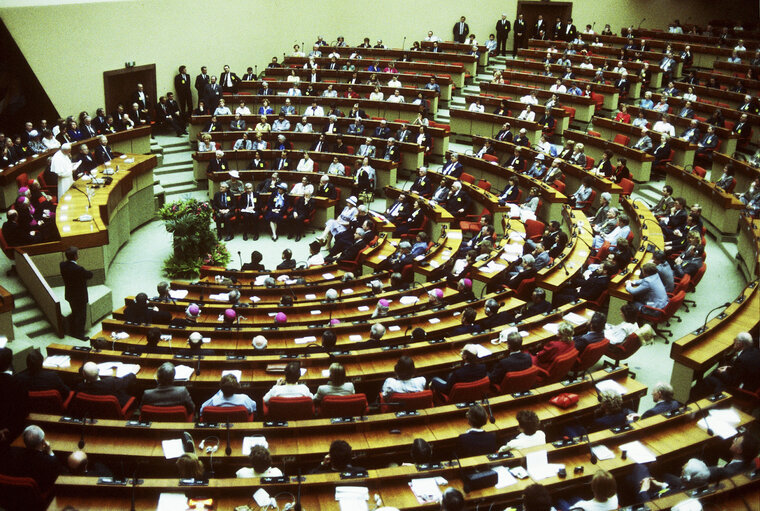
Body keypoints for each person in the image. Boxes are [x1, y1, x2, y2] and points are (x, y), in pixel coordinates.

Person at [0, 425, 59, 495]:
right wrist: (50, 452)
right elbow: (57, 472)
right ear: (43, 441)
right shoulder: (49, 461)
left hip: (13, 495)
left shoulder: (11, 452)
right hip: (39, 497)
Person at [60, 246, 93, 340]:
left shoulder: (62, 265)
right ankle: (79, 334)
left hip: (70, 294)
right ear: (75, 256)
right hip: (80, 296)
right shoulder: (79, 269)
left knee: (75, 312)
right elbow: (89, 275)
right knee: (81, 316)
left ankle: (73, 331)